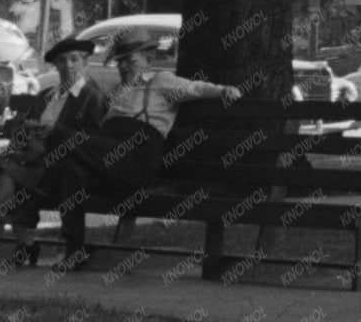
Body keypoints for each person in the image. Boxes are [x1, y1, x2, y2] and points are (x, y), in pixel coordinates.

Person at [56, 32, 243, 269]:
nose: (123, 66)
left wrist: (224, 90)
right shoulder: (117, 92)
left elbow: (197, 87)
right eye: (120, 62)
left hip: (137, 157)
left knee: (63, 138)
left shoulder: (162, 81)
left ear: (149, 59)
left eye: (130, 61)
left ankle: (34, 165)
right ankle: (74, 251)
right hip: (110, 161)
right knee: (72, 173)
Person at [0, 33, 109, 266]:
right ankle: (25, 245)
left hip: (61, 166)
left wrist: (54, 134)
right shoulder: (46, 95)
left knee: (9, 174)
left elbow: (93, 141)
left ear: (85, 62)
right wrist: (27, 131)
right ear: (55, 65)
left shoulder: (91, 96)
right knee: (10, 174)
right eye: (62, 60)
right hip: (31, 160)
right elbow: (19, 129)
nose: (68, 65)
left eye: (74, 59)